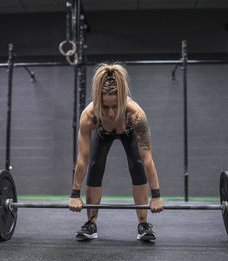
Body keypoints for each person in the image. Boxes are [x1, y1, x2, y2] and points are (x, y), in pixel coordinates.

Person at [68, 63, 163, 241]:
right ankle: (91, 224)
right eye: (105, 107)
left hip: (129, 132)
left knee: (138, 164)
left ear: (122, 100)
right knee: (95, 166)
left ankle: (143, 224)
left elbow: (148, 158)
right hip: (102, 134)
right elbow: (82, 159)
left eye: (115, 107)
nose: (111, 113)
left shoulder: (136, 115)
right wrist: (75, 194)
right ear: (98, 102)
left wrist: (156, 196)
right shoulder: (89, 116)